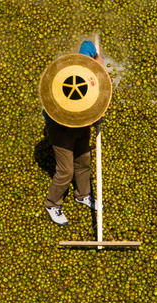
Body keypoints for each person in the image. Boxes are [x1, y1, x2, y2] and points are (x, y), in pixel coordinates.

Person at [44, 41, 104, 226]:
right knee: (66, 170)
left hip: (81, 125)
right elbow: (71, 113)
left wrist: (96, 60)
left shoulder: (81, 67)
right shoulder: (60, 94)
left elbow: (87, 44)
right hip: (61, 130)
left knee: (83, 159)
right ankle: (52, 204)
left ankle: (83, 195)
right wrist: (94, 119)